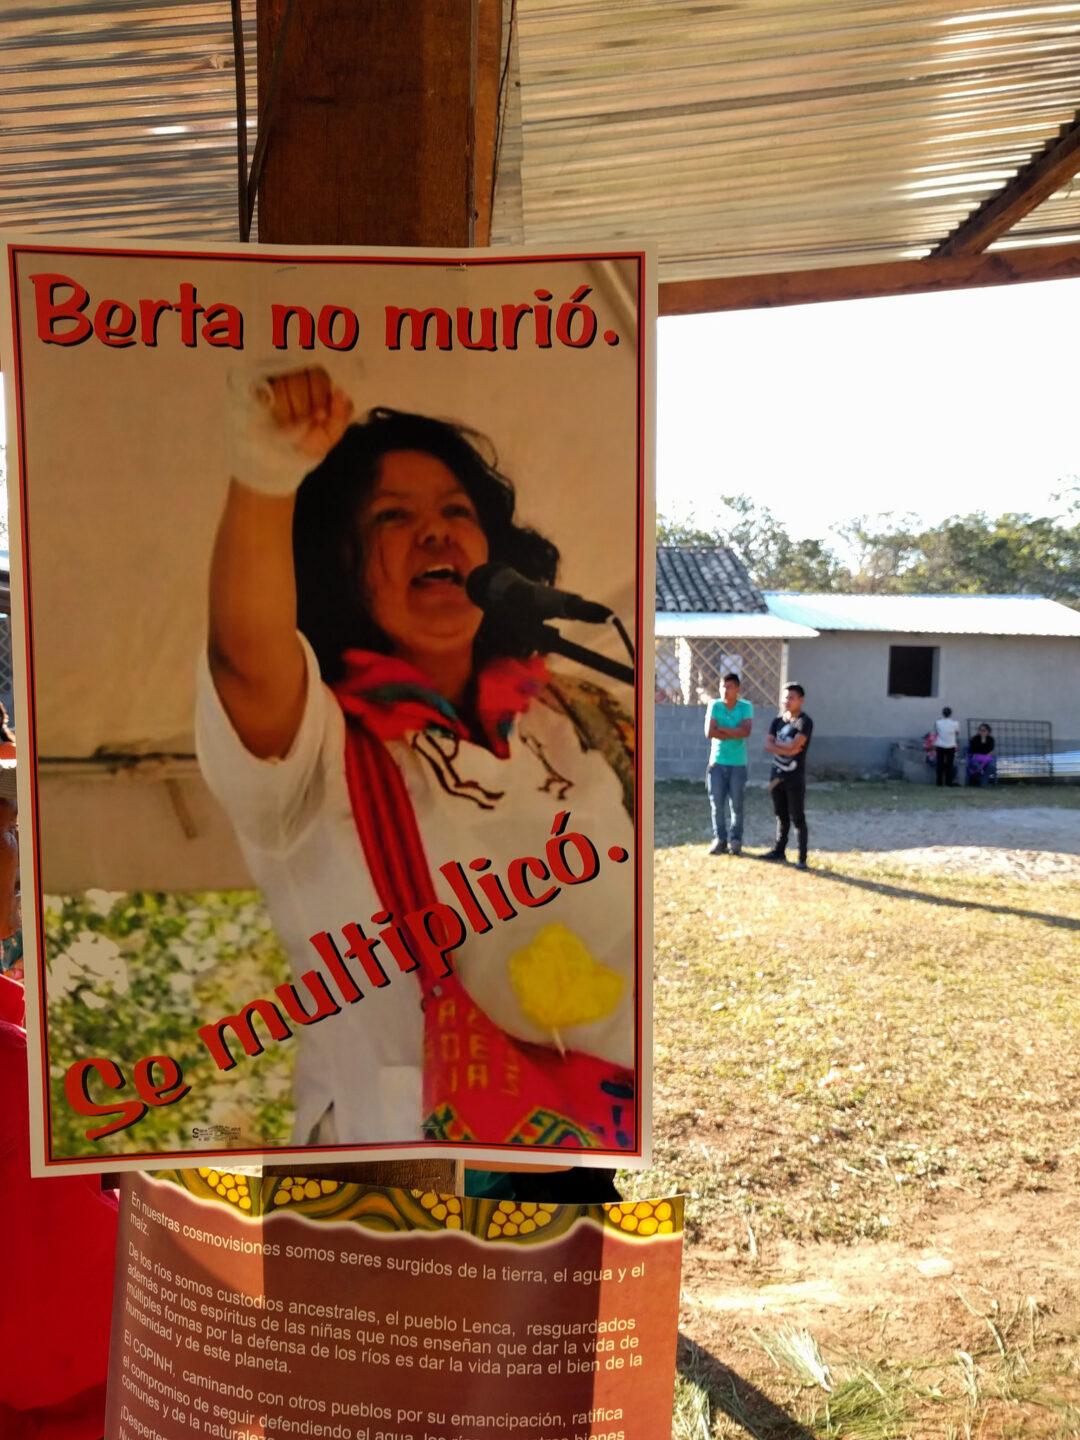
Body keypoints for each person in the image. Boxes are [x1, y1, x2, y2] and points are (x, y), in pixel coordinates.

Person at [197, 366, 636, 1167]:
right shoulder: (313, 739)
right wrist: (266, 476)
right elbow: (244, 658)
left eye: (456, 512)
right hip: (387, 1185)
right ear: (337, 565)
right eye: (392, 518)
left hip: (586, 1156)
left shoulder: (581, 717)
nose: (437, 534)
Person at [761, 684, 814, 870]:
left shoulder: (804, 722)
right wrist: (787, 747)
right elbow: (768, 745)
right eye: (785, 698)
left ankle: (802, 857)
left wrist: (781, 745)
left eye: (791, 698)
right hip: (776, 776)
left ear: (801, 700)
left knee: (797, 816)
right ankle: (779, 850)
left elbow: (797, 746)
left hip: (794, 777)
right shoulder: (777, 721)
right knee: (780, 815)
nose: (787, 701)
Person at [704, 672, 753, 856]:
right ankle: (720, 839)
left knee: (737, 804)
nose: (725, 690)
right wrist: (734, 731)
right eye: (723, 686)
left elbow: (746, 731)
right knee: (716, 804)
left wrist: (722, 729)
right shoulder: (714, 705)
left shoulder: (745, 707)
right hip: (717, 763)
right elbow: (709, 732)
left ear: (737, 689)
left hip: (737, 764)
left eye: (730, 686)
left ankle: (735, 840)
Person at [932, 704, 960, 787]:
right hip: (951, 745)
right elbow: (957, 733)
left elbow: (936, 732)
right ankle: (949, 782)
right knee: (949, 765)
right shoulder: (955, 723)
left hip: (940, 745)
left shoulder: (937, 722)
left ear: (942, 713)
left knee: (939, 764)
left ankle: (939, 782)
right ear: (951, 714)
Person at [967, 722, 996, 786]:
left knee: (989, 760)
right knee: (975, 761)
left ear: (988, 731)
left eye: (984, 730)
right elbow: (973, 750)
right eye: (980, 730)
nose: (981, 732)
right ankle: (980, 771)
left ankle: (979, 770)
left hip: (986, 758)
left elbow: (990, 751)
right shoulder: (975, 739)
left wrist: (984, 741)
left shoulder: (991, 739)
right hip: (976, 757)